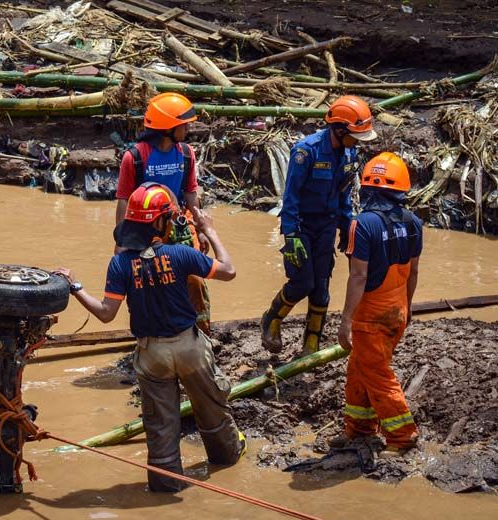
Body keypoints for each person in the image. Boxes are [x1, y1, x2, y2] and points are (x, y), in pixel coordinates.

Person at [56, 182, 245, 492]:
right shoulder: (181, 254)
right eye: (168, 218)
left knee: (160, 427)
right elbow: (229, 270)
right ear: (159, 222)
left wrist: (75, 286)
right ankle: (226, 462)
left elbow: (106, 313)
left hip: (152, 353)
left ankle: (166, 487)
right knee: (212, 410)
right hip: (190, 348)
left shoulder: (120, 264)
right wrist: (209, 230)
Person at [259, 95, 377, 356]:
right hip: (301, 226)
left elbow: (344, 196)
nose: (358, 141)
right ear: (339, 129)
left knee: (321, 290)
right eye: (355, 135)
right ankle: (271, 319)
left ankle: (310, 346)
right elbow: (290, 197)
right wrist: (290, 235)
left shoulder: (350, 153)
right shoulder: (306, 151)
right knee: (302, 283)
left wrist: (348, 228)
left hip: (327, 227)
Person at [333, 152, 422, 457]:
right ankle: (359, 429)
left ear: (368, 187)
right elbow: (413, 271)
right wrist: (408, 309)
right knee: (360, 370)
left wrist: (345, 320)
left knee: (378, 374)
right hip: (397, 310)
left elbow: (358, 276)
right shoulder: (414, 222)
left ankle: (402, 435)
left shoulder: (362, 225)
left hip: (371, 316)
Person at [114, 92, 212, 334]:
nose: (188, 128)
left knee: (194, 279)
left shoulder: (187, 153)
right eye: (184, 124)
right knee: (144, 281)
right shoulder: (135, 157)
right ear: (168, 127)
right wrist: (121, 241)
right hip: (146, 229)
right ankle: (150, 333)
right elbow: (124, 199)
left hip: (178, 225)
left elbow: (190, 193)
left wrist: (201, 230)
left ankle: (201, 332)